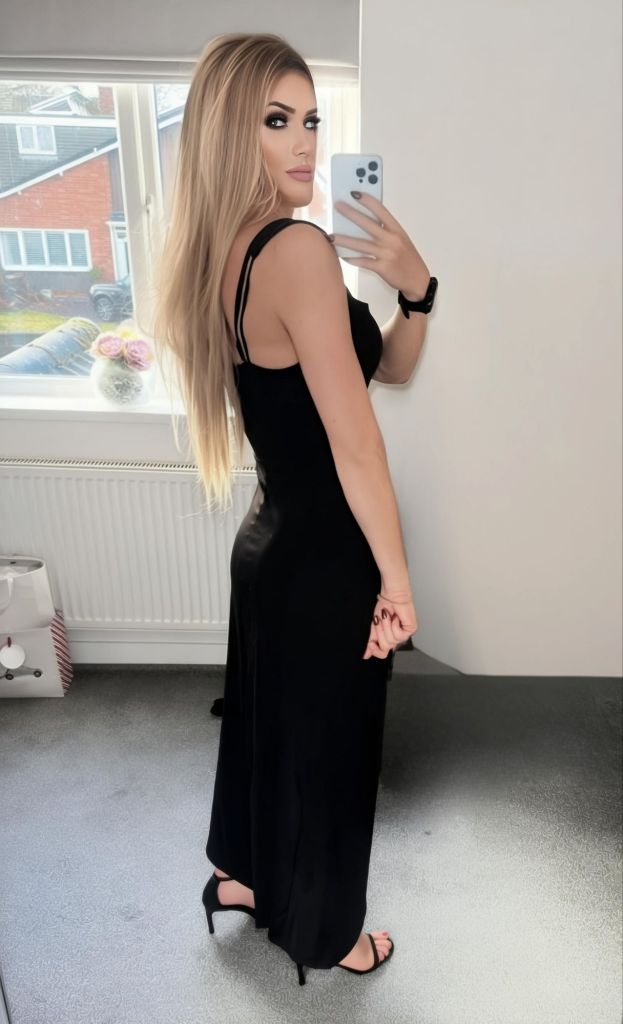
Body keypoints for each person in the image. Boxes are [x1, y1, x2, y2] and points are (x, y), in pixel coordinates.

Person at [152, 31, 429, 985]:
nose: (304, 141)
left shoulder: (228, 251)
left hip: (269, 546)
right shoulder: (298, 249)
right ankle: (330, 934)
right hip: (324, 560)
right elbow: (357, 444)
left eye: (311, 118)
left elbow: (388, 367)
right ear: (231, 134)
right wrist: (397, 584)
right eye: (277, 120)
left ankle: (239, 875)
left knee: (267, 731)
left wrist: (415, 291)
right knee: (333, 752)